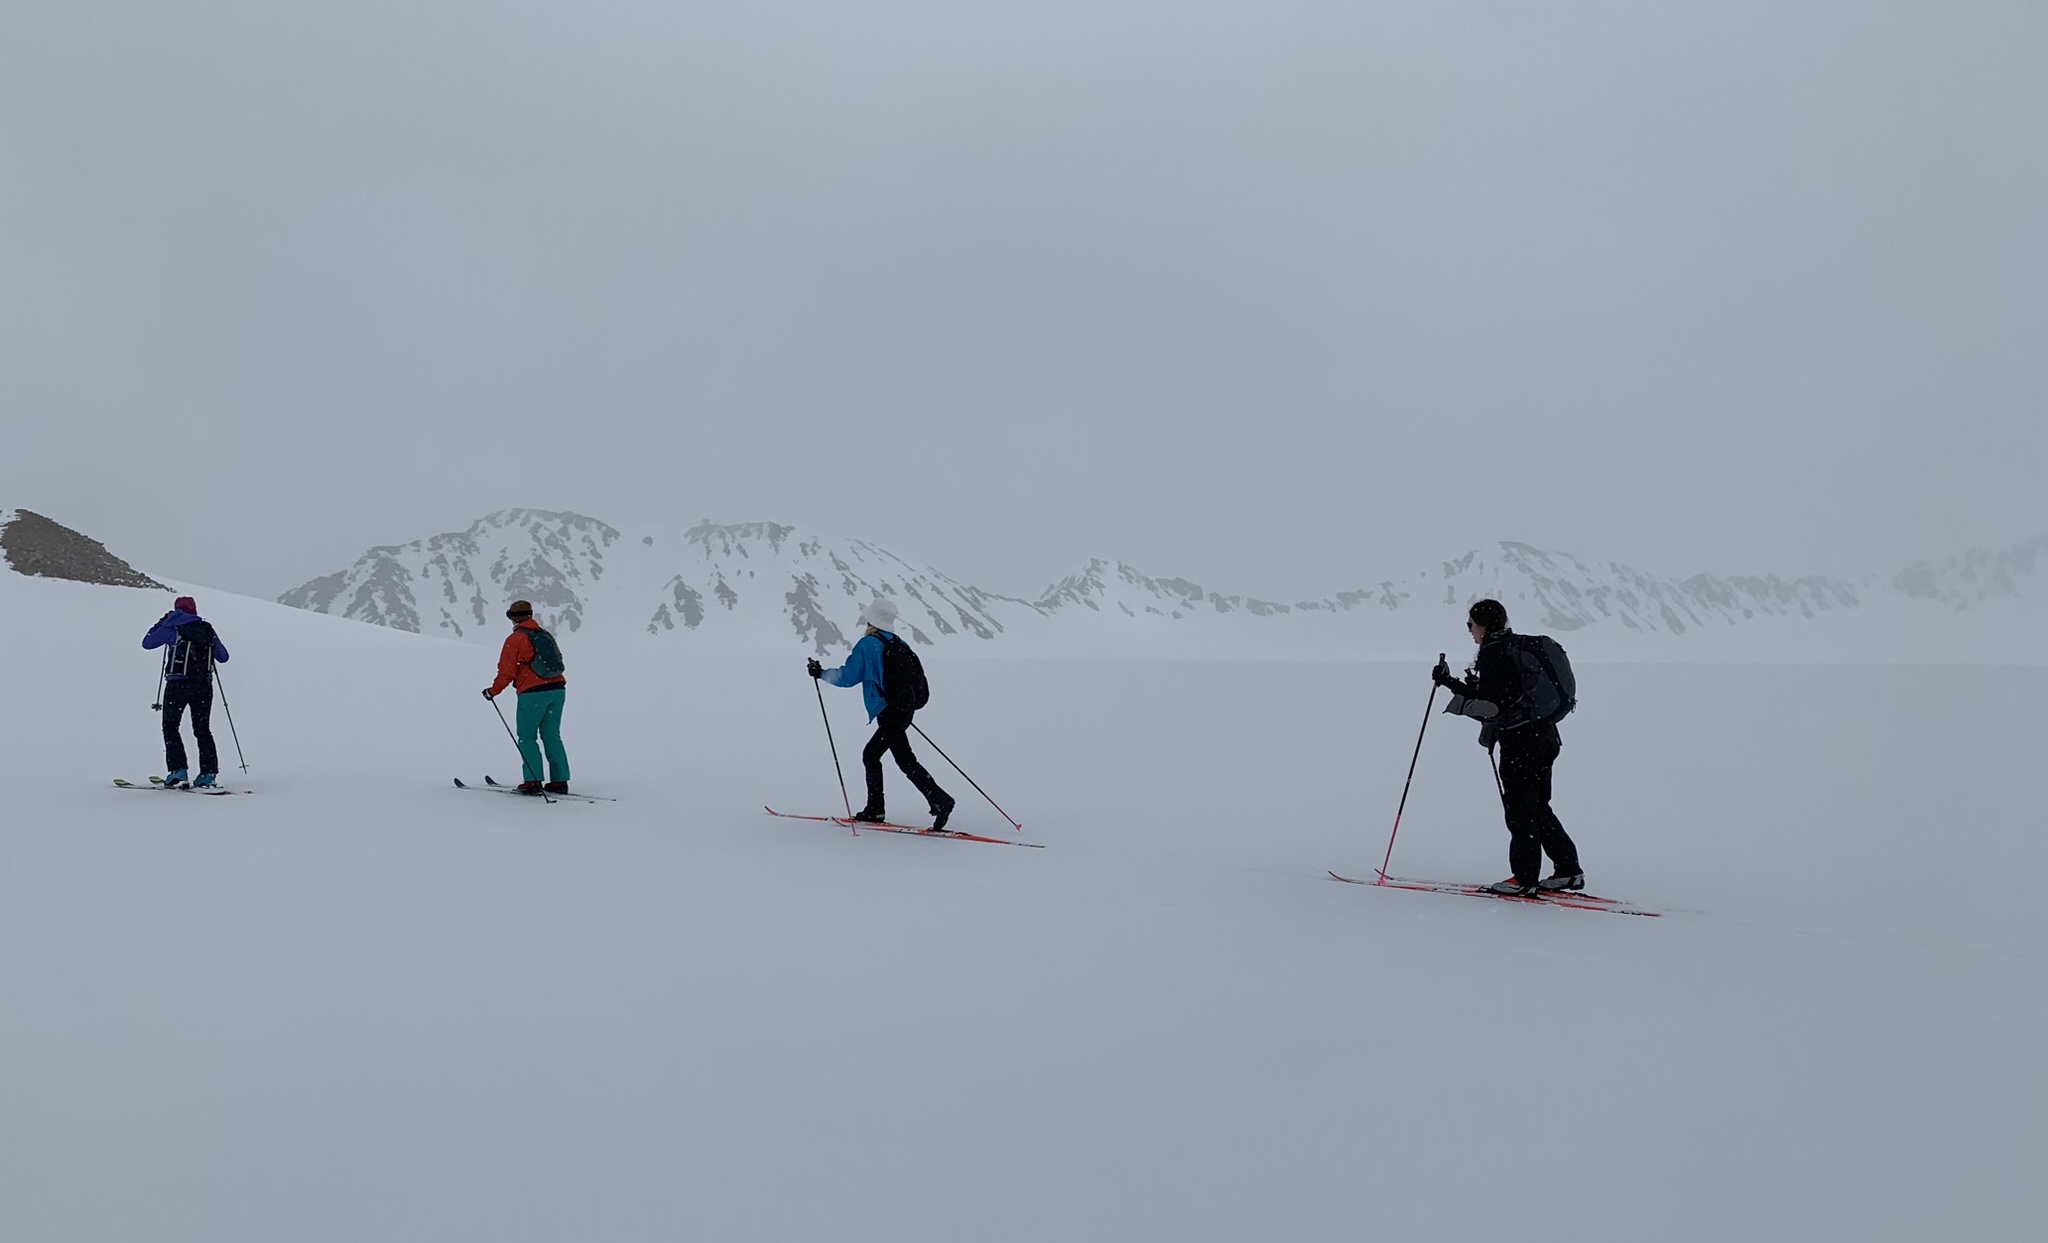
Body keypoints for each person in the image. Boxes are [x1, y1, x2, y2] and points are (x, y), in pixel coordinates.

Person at [1432, 598, 1584, 896]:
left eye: (1471, 625)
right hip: (1545, 736)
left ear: (1484, 625)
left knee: (1520, 810)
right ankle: (1568, 871)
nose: (1470, 632)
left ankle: (1524, 878)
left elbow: (1493, 704)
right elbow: (1502, 693)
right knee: (1538, 807)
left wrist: (1459, 704)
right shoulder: (1516, 647)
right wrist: (1451, 682)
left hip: (1520, 742)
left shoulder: (1494, 653)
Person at [808, 597, 955, 829]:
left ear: (871, 620)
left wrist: (821, 673)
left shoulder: (868, 644)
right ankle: (876, 809)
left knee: (902, 760)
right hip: (904, 710)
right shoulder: (899, 642)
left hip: (889, 712)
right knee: (873, 755)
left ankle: (940, 801)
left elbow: (848, 677)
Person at [143, 595, 231, 788]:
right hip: (203, 685)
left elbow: (147, 643)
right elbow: (223, 657)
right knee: (202, 729)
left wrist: (162, 622)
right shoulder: (207, 630)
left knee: (171, 725)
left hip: (178, 684)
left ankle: (178, 770)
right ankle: (208, 774)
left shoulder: (173, 628)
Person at [484, 599, 570, 795]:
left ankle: (532, 780)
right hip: (558, 689)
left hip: (533, 693)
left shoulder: (515, 640)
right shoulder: (544, 635)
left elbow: (506, 672)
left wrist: (492, 692)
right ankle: (560, 780)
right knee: (551, 735)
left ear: (513, 618)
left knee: (527, 736)